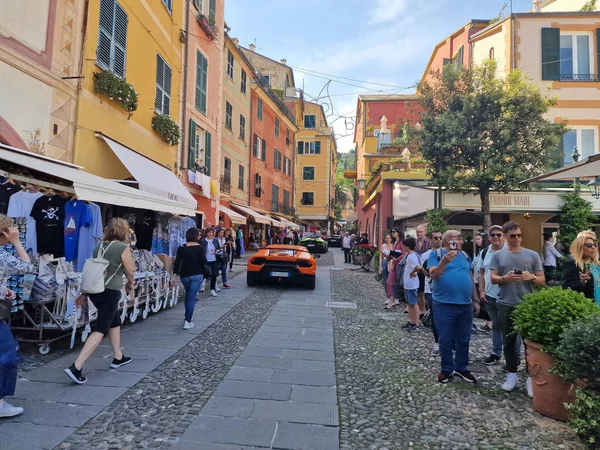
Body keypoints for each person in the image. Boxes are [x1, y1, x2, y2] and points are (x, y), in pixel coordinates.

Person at [65, 218, 135, 385]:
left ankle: (118, 356)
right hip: (110, 291)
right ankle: (77, 366)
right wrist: (130, 285)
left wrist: (84, 293)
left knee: (114, 320)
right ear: (123, 231)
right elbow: (130, 270)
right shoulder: (122, 247)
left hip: (95, 291)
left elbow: (92, 271)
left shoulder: (99, 247)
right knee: (101, 328)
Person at [490, 221, 545, 393]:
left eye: (519, 235)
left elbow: (542, 280)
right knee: (508, 340)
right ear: (506, 236)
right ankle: (512, 373)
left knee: (529, 343)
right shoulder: (498, 255)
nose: (517, 239)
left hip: (527, 304)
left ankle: (530, 377)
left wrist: (532, 278)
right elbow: (492, 278)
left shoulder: (532, 255)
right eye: (513, 236)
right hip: (505, 303)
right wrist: (505, 278)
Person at [428, 229, 477, 384]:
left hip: (465, 304)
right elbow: (433, 275)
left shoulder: (465, 255)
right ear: (447, 240)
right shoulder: (435, 255)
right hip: (444, 304)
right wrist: (444, 262)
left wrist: (475, 299)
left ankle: (461, 367)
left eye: (460, 239)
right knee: (445, 339)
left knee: (464, 338)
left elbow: (469, 276)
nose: (460, 241)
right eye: (456, 239)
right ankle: (446, 369)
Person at [0, 215, 34, 417]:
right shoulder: (2, 255)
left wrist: (3, 288)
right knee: (7, 354)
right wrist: (17, 242)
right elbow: (28, 267)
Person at [477, 225, 518, 366]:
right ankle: (496, 353)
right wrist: (481, 291)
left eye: (499, 235)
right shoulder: (484, 252)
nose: (495, 237)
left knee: (510, 328)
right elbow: (481, 272)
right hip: (490, 295)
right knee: (496, 325)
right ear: (489, 238)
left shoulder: (511, 251)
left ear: (504, 236)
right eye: (493, 235)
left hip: (507, 295)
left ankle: (513, 359)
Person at [174, 227, 207, 329]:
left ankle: (187, 318)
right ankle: (188, 320)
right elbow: (203, 262)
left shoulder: (181, 248)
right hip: (197, 274)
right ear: (196, 236)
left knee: (189, 295)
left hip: (185, 275)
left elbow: (177, 263)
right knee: (191, 297)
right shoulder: (200, 248)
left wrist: (174, 274)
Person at [562, 230, 600, 304]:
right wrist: (581, 282)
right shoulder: (574, 263)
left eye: (594, 245)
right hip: (588, 306)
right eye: (589, 245)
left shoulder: (596, 264)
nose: (593, 247)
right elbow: (567, 287)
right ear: (580, 247)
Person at [421, 230, 443, 356]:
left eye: (440, 237)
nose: (438, 240)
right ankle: (437, 342)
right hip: (430, 289)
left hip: (444, 289)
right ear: (431, 239)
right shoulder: (426, 255)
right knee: (435, 317)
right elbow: (424, 271)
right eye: (435, 238)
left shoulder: (447, 253)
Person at [401, 237, 422, 332]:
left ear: (407, 246)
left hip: (412, 283)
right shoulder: (410, 255)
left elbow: (418, 267)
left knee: (414, 304)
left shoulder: (412, 256)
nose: (403, 247)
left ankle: (416, 323)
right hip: (408, 283)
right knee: (410, 303)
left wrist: (413, 272)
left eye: (404, 246)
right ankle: (411, 321)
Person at [385, 229, 404, 310]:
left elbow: (404, 253)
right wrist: (388, 255)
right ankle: (392, 300)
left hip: (400, 265)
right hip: (394, 264)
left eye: (393, 232)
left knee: (404, 284)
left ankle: (409, 304)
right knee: (389, 282)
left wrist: (397, 258)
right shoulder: (394, 243)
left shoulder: (402, 242)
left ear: (398, 233)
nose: (392, 233)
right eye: (391, 232)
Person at [415, 225, 431, 314]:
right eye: (417, 232)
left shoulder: (429, 242)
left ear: (424, 232)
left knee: (428, 291)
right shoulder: (415, 243)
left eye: (421, 232)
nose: (419, 234)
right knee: (420, 291)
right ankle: (422, 310)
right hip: (418, 269)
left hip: (427, 269)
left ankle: (429, 310)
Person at [204, 227, 221, 297]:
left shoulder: (215, 240)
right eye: (209, 232)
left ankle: (212, 289)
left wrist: (217, 251)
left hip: (214, 259)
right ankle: (200, 287)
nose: (210, 234)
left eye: (211, 232)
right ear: (206, 233)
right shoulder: (203, 241)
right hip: (206, 260)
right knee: (205, 274)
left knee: (214, 274)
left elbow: (218, 248)